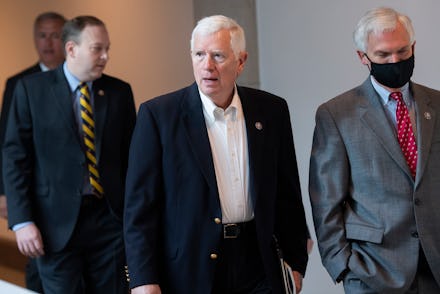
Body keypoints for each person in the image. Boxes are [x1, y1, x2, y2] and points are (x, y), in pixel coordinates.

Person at [123, 15, 309, 294]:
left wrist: (296, 262)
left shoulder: (271, 110)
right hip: (191, 266)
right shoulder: (159, 116)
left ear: (241, 61)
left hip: (258, 261)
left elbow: (287, 192)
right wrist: (143, 279)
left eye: (218, 56)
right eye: (199, 54)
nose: (207, 65)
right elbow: (140, 209)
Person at [309, 6, 440, 293]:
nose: (395, 60)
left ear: (413, 47)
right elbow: (326, 202)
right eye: (383, 54)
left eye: (403, 51)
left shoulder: (437, 104)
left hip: (435, 266)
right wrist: (341, 264)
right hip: (372, 271)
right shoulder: (336, 114)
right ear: (363, 57)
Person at [3, 15, 136, 293]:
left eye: (107, 48)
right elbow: (16, 158)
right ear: (72, 49)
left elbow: (131, 159)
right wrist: (22, 220)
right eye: (97, 49)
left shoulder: (119, 92)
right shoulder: (30, 90)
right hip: (54, 225)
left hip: (109, 222)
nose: (105, 56)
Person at [0, 11, 66, 293]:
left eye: (55, 35)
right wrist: (5, 194)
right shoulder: (18, 83)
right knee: (36, 255)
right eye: (42, 35)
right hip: (32, 186)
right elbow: (7, 142)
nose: (48, 42)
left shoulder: (82, 77)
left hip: (72, 189)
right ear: (34, 39)